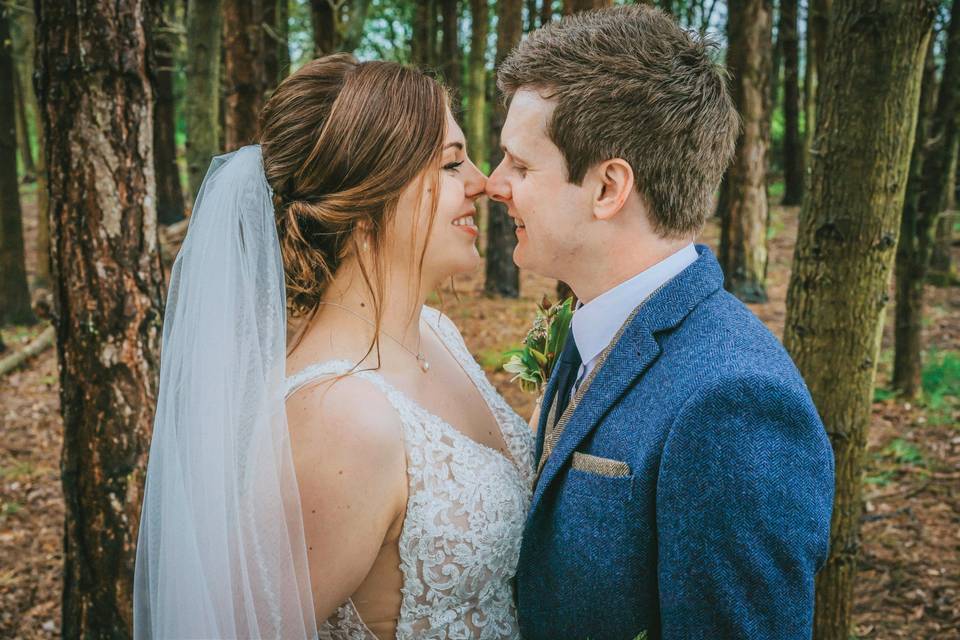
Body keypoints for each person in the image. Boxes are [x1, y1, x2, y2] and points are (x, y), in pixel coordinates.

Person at [134, 54, 533, 639]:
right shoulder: (338, 418)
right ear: (369, 198)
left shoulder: (434, 332)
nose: (483, 182)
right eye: (452, 164)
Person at [485, 6, 835, 639]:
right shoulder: (591, 324)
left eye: (521, 165)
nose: (493, 183)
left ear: (607, 188)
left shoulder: (732, 401)